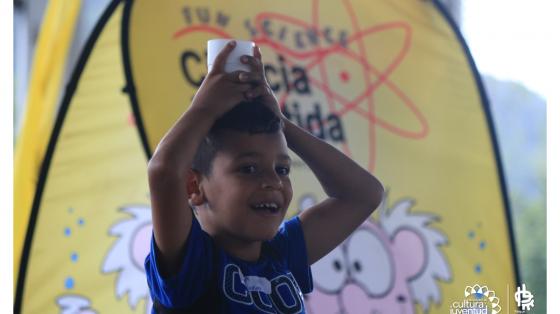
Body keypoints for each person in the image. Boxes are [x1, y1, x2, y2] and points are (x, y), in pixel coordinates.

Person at [145, 40, 384, 313]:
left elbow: (364, 194)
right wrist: (205, 109)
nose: (273, 182)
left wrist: (282, 123)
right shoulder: (193, 263)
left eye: (282, 169)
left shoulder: (281, 255)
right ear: (194, 186)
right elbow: (163, 173)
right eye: (248, 169)